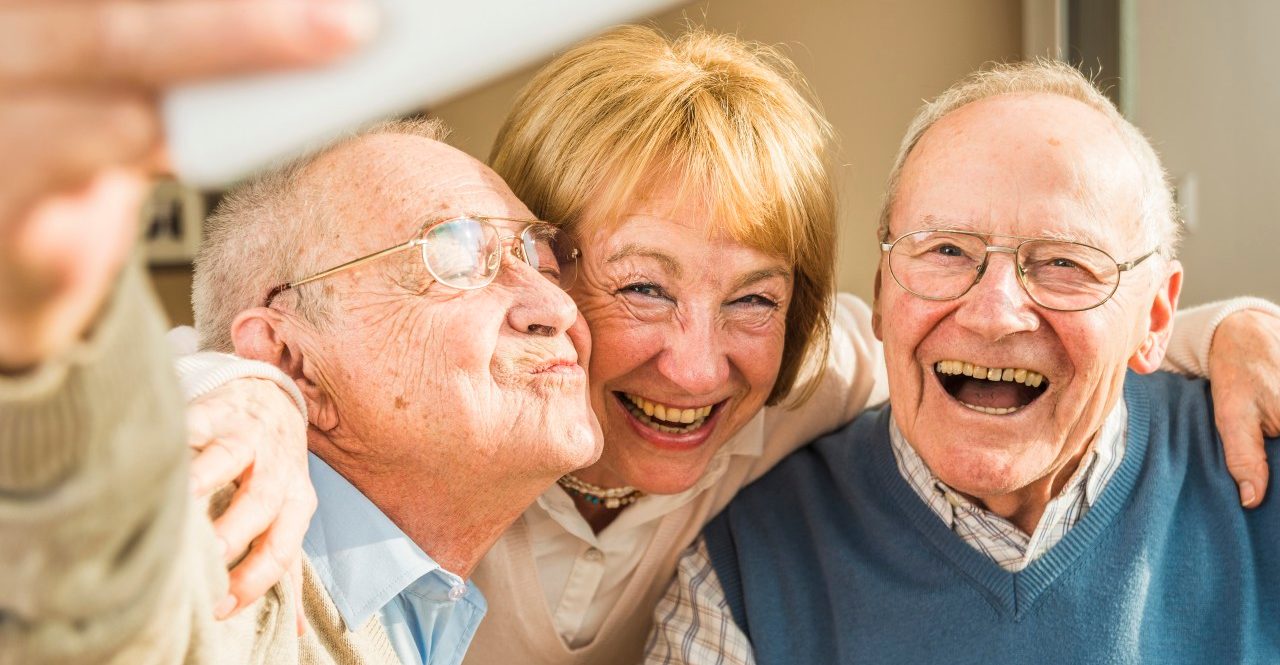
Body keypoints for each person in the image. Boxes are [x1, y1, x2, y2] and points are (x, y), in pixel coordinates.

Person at [182, 26, 1280, 664]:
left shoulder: (815, 375)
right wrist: (246, 386)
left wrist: (1223, 332)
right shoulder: (435, 416)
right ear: (540, 275)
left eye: (753, 300)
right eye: (641, 287)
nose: (698, 366)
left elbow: (1020, 330)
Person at [0, 8, 606, 661]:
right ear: (293, 358)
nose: (555, 306)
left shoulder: (432, 605)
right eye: (455, 254)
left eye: (539, 253)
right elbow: (97, 587)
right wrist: (50, 333)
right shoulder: (234, 556)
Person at [647, 60, 1280, 665]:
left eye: (1064, 263)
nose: (992, 313)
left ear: (1157, 316)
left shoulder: (1258, 462)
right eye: (945, 249)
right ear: (879, 292)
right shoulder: (745, 570)